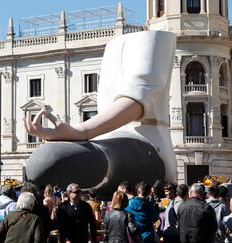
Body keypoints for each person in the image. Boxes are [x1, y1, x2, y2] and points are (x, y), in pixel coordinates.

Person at [24, 31, 177, 199]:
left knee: (53, 159)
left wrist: (79, 132)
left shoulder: (155, 39)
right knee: (50, 159)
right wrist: (77, 134)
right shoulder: (114, 47)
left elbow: (136, 103)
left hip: (147, 144)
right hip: (107, 142)